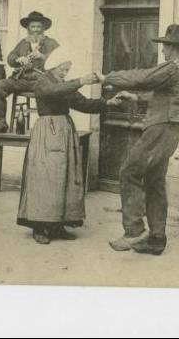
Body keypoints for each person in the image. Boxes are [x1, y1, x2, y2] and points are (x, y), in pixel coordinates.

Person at [99, 24, 179, 256]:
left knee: (129, 171)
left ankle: (134, 231)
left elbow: (142, 77)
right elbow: (165, 97)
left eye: (164, 45)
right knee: (154, 181)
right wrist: (134, 97)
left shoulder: (171, 68)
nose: (162, 50)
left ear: (170, 47)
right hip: (169, 130)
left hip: (159, 129)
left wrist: (107, 77)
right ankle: (156, 239)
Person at [16, 46, 123, 244]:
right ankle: (40, 226)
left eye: (67, 69)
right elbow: (52, 92)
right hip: (48, 131)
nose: (65, 72)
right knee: (46, 179)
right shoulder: (43, 81)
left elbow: (83, 104)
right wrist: (81, 81)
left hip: (64, 131)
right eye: (63, 68)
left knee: (64, 177)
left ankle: (57, 225)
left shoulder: (64, 84)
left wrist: (107, 103)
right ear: (53, 65)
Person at [0, 11, 59, 133]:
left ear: (43, 28)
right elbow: (10, 58)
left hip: (42, 81)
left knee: (53, 94)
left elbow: (62, 60)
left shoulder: (51, 43)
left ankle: (49, 129)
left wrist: (42, 56)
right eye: (33, 27)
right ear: (28, 29)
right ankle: (0, 122)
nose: (36, 30)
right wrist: (18, 59)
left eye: (39, 27)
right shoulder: (23, 43)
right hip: (23, 80)